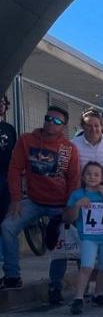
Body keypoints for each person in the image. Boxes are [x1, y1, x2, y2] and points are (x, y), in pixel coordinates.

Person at [0, 106, 80, 291]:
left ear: (64, 126)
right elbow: (14, 169)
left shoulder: (69, 149)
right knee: (7, 227)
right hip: (34, 201)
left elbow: (74, 179)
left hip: (60, 204)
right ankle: (12, 276)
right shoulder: (26, 141)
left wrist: (70, 206)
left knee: (62, 241)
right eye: (48, 118)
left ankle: (59, 284)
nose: (51, 123)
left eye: (57, 121)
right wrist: (16, 199)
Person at [65, 162, 103, 315]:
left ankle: (98, 294)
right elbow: (69, 219)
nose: (92, 177)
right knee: (86, 266)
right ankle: (78, 297)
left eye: (96, 174)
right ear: (83, 176)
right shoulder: (77, 194)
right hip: (89, 236)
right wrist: (77, 206)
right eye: (88, 174)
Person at [0, 95, 17, 262]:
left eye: (3, 103)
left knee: (4, 216)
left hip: (5, 177)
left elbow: (14, 154)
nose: (1, 105)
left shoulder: (9, 128)